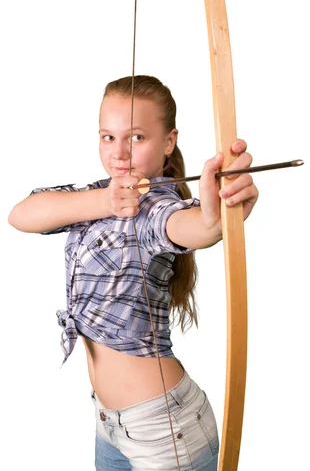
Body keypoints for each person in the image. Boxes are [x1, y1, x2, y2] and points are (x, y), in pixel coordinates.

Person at [8, 75, 259, 471]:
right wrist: (103, 200)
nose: (119, 152)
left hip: (164, 431)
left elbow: (190, 227)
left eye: (137, 137)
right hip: (109, 423)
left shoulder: (156, 205)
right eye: (108, 137)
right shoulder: (98, 193)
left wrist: (216, 215)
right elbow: (21, 215)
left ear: (168, 141)